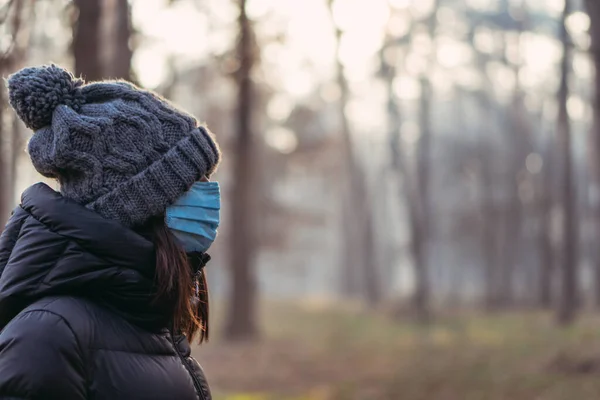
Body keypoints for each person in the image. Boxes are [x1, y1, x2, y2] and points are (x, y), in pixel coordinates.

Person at [0, 65, 221, 400]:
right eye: (192, 185)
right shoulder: (48, 337)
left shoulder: (146, 317)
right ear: (139, 206)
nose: (209, 195)